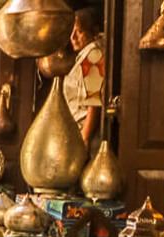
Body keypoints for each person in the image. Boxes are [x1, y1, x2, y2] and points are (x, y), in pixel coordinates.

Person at [65, 7, 107, 142]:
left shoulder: (93, 54)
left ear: (94, 31)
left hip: (87, 133)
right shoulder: (85, 55)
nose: (73, 37)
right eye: (71, 32)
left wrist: (85, 138)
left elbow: (94, 101)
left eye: (79, 31)